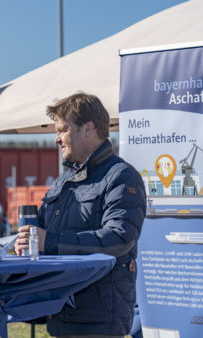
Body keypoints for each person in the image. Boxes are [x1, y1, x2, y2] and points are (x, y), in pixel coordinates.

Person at [15, 92, 146, 338]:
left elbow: (119, 238)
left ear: (88, 128)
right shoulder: (63, 181)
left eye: (63, 130)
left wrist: (49, 241)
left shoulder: (122, 176)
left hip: (98, 317)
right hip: (62, 311)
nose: (57, 139)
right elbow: (42, 232)